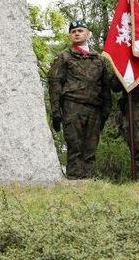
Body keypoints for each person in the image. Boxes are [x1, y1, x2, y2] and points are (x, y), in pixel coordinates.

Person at [48, 21, 113, 180]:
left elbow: (106, 87)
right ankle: (75, 185)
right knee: (75, 147)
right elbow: (55, 83)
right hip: (72, 106)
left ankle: (88, 185)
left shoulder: (99, 59)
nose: (76, 33)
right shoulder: (64, 57)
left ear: (88, 34)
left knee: (90, 149)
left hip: (94, 109)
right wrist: (56, 112)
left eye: (80, 30)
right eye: (73, 31)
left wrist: (105, 112)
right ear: (70, 35)